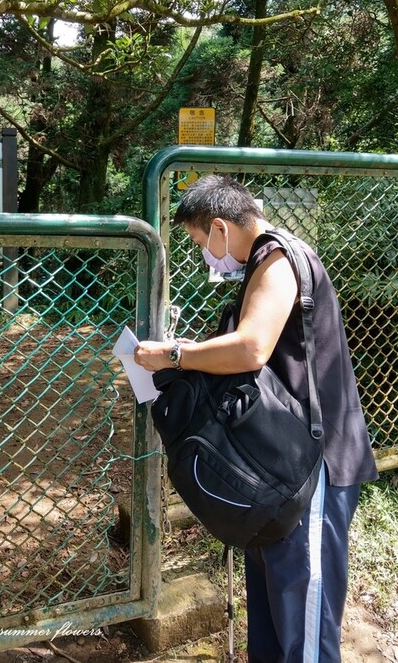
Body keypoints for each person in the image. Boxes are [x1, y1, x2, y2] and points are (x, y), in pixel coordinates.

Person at [134, 174, 378, 663]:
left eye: (202, 242)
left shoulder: (277, 257)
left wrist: (178, 355)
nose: (205, 253)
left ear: (221, 227)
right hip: (280, 464)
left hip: (313, 466)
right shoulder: (267, 259)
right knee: (271, 613)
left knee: (303, 625)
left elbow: (251, 347)